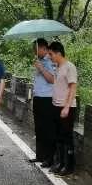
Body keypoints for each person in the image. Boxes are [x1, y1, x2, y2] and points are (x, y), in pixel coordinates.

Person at [48, 41, 78, 176]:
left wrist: (66, 107)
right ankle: (60, 163)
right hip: (56, 105)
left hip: (66, 107)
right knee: (58, 136)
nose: (50, 57)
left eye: (51, 54)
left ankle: (69, 166)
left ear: (58, 53)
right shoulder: (57, 68)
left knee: (67, 137)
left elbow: (73, 87)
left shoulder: (69, 67)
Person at [29, 38, 56, 166]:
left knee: (47, 129)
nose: (35, 51)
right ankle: (39, 155)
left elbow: (52, 79)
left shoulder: (51, 61)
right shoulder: (38, 61)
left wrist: (41, 68)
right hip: (38, 98)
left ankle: (48, 158)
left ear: (44, 48)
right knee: (38, 128)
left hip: (47, 99)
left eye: (36, 48)